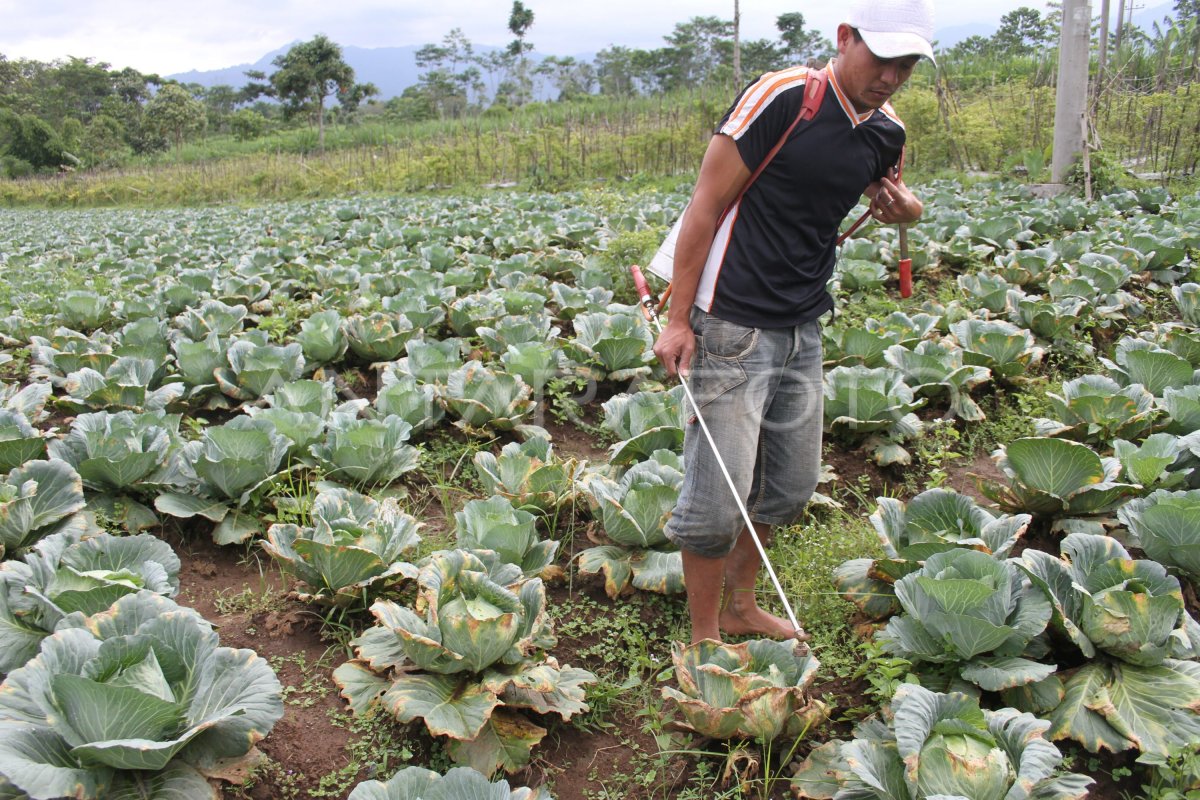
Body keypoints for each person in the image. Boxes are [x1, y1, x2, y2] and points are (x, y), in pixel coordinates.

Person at [652, 0, 934, 644]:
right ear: (844, 38)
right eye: (881, 57)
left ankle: (742, 606)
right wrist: (678, 319)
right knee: (717, 496)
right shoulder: (784, 97)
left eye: (907, 64)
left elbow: (889, 190)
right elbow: (705, 205)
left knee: (789, 483)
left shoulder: (886, 131)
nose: (891, 75)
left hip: (803, 327)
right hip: (729, 324)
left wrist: (906, 208)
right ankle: (703, 638)